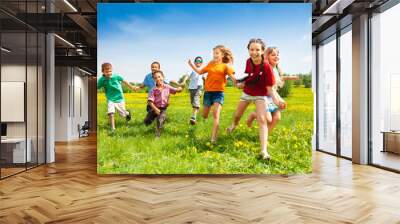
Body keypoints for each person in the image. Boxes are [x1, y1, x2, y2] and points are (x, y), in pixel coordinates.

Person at [226, 39, 286, 160]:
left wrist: (277, 101)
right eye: (251, 49)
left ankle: (264, 151)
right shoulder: (248, 61)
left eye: (257, 49)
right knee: (237, 115)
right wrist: (242, 83)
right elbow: (250, 76)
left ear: (263, 51)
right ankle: (233, 125)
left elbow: (270, 89)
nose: (254, 52)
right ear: (248, 50)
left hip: (260, 94)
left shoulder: (267, 67)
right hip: (247, 92)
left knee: (263, 120)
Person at [188, 45, 236, 143]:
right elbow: (200, 72)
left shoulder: (225, 66)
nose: (214, 55)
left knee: (216, 116)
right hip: (208, 93)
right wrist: (191, 65)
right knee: (205, 115)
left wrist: (239, 83)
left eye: (217, 53)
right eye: (213, 53)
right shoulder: (210, 63)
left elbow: (233, 77)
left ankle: (213, 139)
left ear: (222, 55)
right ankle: (208, 111)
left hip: (219, 93)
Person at [246, 47, 296, 132]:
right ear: (267, 56)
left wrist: (289, 77)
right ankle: (254, 115)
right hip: (263, 96)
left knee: (277, 117)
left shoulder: (276, 69)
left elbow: (277, 81)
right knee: (268, 119)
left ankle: (266, 136)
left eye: (277, 55)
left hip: (272, 96)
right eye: (273, 55)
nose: (276, 56)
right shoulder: (266, 67)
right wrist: (279, 100)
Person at [97, 62, 137, 133]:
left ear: (112, 70)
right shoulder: (101, 80)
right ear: (103, 71)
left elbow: (124, 81)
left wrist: (132, 87)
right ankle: (113, 129)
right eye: (107, 72)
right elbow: (97, 87)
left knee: (122, 114)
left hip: (119, 97)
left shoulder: (116, 76)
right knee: (111, 112)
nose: (109, 73)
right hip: (110, 99)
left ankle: (127, 113)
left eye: (110, 71)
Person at [145, 70, 183, 137]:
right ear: (154, 79)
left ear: (163, 77)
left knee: (160, 121)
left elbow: (175, 90)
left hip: (163, 108)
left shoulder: (167, 87)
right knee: (147, 121)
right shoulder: (153, 89)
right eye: (156, 78)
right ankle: (147, 124)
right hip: (154, 107)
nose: (158, 79)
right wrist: (156, 109)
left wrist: (179, 89)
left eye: (159, 77)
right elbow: (150, 102)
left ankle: (157, 135)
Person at [187, 56, 204, 125]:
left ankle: (193, 117)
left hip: (199, 87)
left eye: (200, 61)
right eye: (197, 61)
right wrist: (183, 81)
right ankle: (195, 113)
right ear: (194, 62)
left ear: (201, 63)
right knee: (193, 103)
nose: (198, 62)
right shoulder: (192, 70)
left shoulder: (203, 70)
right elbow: (187, 76)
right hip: (192, 88)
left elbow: (204, 78)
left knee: (196, 101)